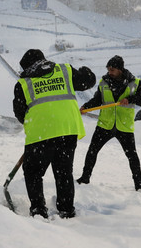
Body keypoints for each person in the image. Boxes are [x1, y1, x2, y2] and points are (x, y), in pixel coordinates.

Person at [13, 49, 96, 219]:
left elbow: (20, 113)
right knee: (63, 171)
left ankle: (38, 210)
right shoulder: (65, 70)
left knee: (33, 172)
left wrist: (40, 120)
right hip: (68, 130)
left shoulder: (23, 83)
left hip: (40, 133)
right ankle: (66, 210)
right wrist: (86, 70)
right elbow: (89, 80)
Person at [76, 55, 141, 193]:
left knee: (132, 156)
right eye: (108, 69)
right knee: (92, 151)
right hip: (105, 124)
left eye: (112, 69)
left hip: (124, 126)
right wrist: (86, 107)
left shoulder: (134, 82)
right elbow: (97, 100)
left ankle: (139, 186)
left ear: (120, 69)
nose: (109, 72)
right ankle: (85, 178)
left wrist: (131, 99)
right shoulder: (104, 82)